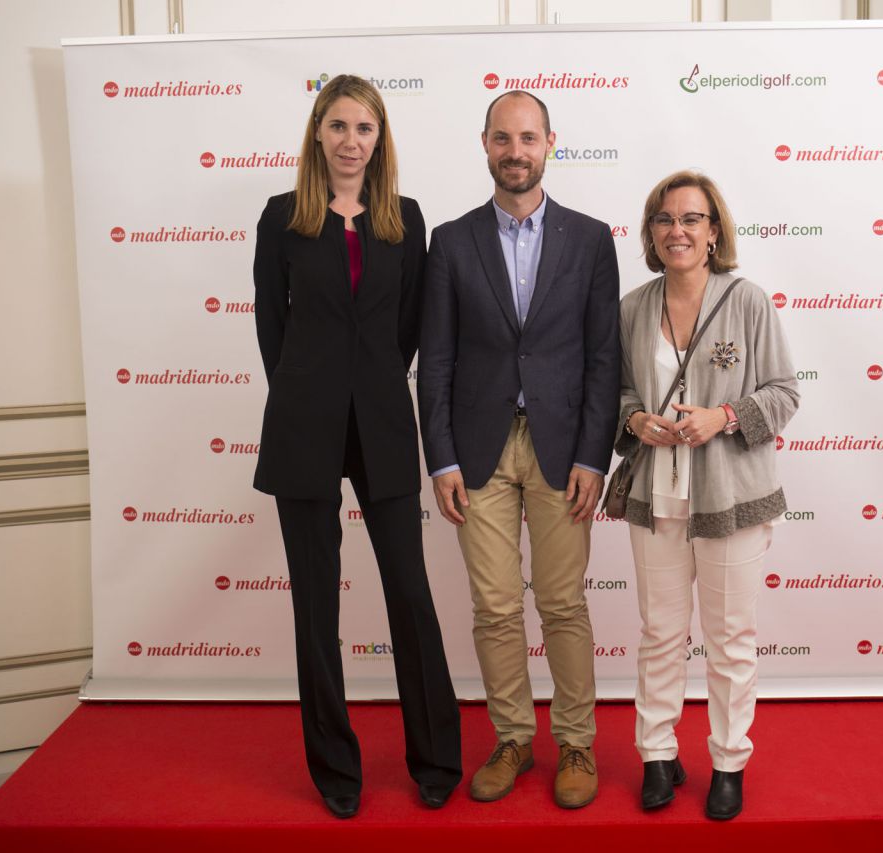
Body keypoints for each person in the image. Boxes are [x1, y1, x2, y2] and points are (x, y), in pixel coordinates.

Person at [252, 74, 461, 819]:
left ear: (380, 139)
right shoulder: (282, 219)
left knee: (410, 590)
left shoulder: (405, 217)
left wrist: (363, 381)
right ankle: (335, 769)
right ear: (318, 132)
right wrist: (314, 389)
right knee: (316, 607)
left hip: (380, 423)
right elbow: (270, 331)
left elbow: (408, 326)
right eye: (338, 126)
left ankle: (436, 755)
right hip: (303, 428)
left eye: (364, 128)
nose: (350, 141)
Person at [417, 90, 620, 809]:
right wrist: (439, 458)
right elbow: (434, 360)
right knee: (496, 608)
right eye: (503, 138)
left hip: (565, 452)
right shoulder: (450, 240)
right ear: (485, 144)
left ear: (550, 143)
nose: (516, 150)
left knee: (563, 603)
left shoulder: (593, 239)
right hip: (478, 453)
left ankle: (575, 742)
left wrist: (595, 457)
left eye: (528, 137)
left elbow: (604, 358)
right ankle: (512, 737)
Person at [616, 170, 799, 820]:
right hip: (656, 498)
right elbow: (618, 395)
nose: (678, 230)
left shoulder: (747, 300)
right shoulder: (633, 307)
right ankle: (657, 752)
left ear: (714, 229)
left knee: (729, 636)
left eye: (691, 219)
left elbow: (784, 393)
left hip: (732, 500)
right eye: (665, 219)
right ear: (651, 232)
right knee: (660, 633)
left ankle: (728, 760)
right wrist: (637, 422)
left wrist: (721, 418)